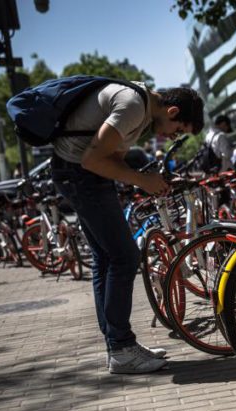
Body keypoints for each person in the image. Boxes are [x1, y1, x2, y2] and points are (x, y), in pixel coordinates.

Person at [50, 82, 204, 374]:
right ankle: (121, 348)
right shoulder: (133, 106)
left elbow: (109, 156)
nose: (173, 136)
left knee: (106, 258)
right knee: (125, 257)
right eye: (178, 130)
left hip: (76, 173)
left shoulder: (141, 109)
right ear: (172, 111)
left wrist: (139, 178)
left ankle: (118, 345)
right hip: (80, 174)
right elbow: (93, 159)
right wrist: (142, 181)